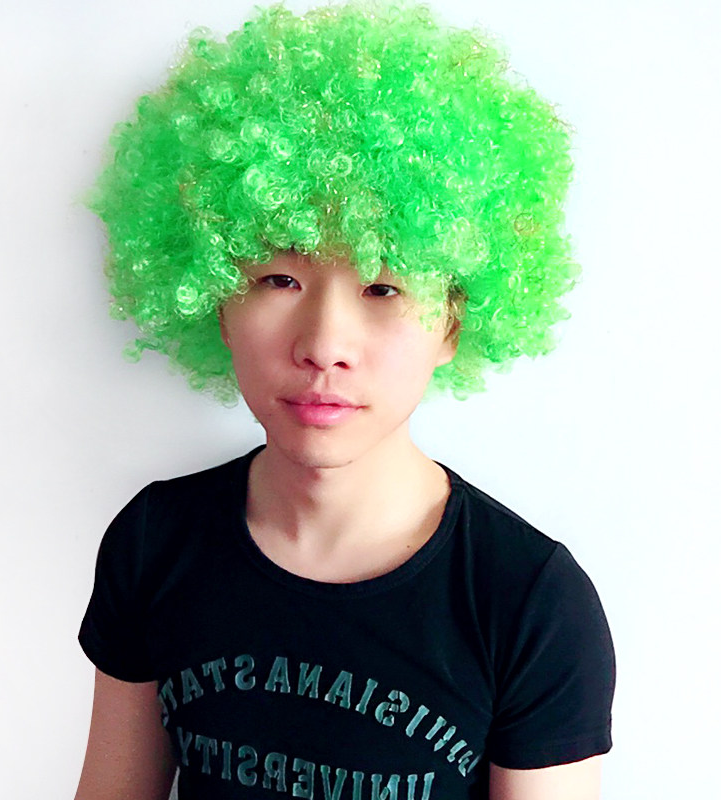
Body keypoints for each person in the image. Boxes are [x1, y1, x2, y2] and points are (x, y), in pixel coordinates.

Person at [75, 4, 615, 799]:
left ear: (451, 325)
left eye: (383, 287)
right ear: (219, 302)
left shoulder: (528, 602)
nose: (325, 343)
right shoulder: (156, 543)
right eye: (279, 278)